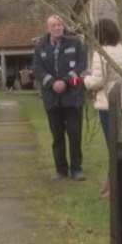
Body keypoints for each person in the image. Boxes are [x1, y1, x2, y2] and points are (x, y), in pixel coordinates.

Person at [32, 15, 87, 181]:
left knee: (74, 134)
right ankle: (60, 169)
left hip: (72, 97)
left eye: (59, 25)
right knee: (57, 136)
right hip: (52, 98)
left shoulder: (75, 43)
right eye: (54, 25)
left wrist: (65, 81)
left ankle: (76, 169)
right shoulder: (40, 47)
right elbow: (37, 69)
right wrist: (51, 83)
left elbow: (81, 64)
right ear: (48, 28)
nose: (57, 28)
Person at [82, 18, 122, 197]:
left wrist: (85, 79)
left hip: (107, 103)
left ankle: (113, 187)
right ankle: (110, 183)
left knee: (112, 146)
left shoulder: (102, 53)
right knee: (117, 142)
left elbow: (98, 81)